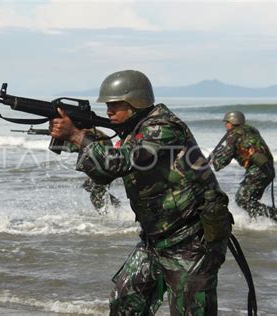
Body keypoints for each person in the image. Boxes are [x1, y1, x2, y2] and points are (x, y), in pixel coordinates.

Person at [50, 70, 233, 315]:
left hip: (191, 239)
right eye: (108, 105)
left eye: (116, 105)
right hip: (155, 240)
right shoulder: (133, 130)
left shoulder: (163, 127)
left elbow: (120, 162)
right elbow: (103, 173)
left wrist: (75, 134)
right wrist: (77, 138)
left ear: (136, 103)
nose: (109, 112)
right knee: (125, 302)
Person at [211, 111, 277, 224]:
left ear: (233, 122)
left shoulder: (234, 135)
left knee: (242, 199)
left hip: (258, 171)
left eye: (227, 122)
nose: (225, 125)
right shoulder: (251, 130)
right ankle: (259, 222)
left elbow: (222, 161)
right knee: (250, 200)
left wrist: (214, 159)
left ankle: (275, 215)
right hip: (268, 169)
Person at [65, 128, 121, 214]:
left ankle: (105, 215)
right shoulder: (95, 134)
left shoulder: (95, 136)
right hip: (102, 168)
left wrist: (71, 139)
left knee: (96, 196)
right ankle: (113, 203)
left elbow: (91, 150)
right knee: (88, 186)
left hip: (102, 170)